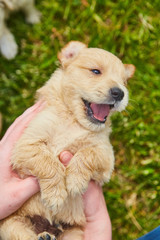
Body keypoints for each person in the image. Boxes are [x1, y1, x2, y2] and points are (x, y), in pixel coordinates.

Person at [0, 101, 112, 240]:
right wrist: (50, 175)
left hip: (70, 226)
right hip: (22, 216)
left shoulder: (96, 125)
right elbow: (23, 153)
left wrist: (85, 163)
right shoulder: (48, 115)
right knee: (10, 228)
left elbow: (105, 166)